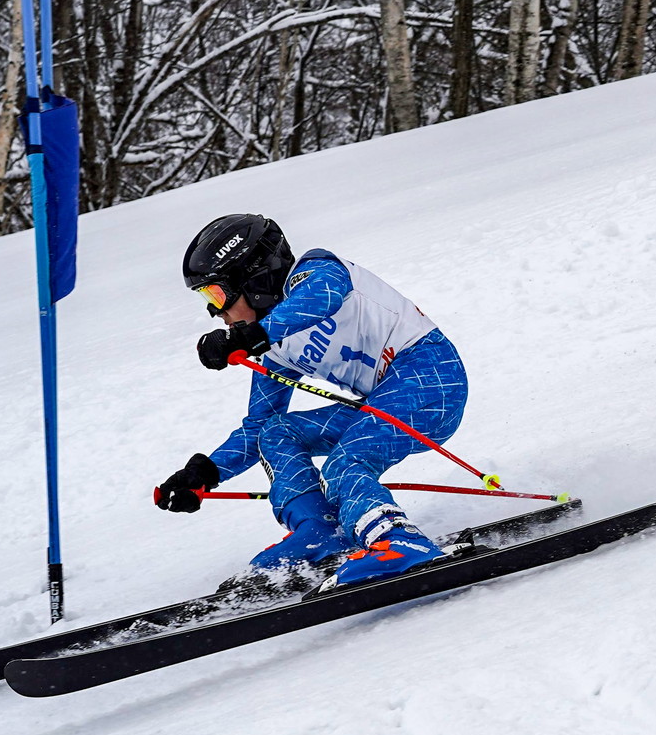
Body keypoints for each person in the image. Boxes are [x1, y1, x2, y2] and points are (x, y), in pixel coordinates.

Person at [155, 214, 469, 589]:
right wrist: (204, 474)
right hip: (384, 399)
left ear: (254, 280)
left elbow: (323, 295)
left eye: (217, 295)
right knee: (276, 433)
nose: (215, 312)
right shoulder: (274, 347)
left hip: (431, 378)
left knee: (347, 461)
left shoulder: (316, 271)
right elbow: (258, 425)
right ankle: (320, 534)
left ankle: (398, 542)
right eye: (207, 299)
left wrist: (252, 336)